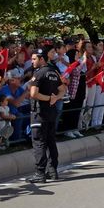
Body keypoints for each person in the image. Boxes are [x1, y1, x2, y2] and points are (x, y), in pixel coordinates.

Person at [26, 48, 66, 183]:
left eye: (34, 59)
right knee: (51, 141)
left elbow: (33, 94)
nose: (32, 62)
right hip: (51, 112)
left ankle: (40, 173)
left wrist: (49, 98)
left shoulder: (39, 73)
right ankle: (53, 171)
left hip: (39, 112)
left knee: (39, 143)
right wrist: (55, 98)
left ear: (41, 59)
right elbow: (63, 89)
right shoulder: (53, 72)